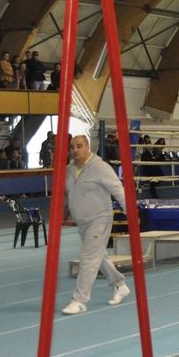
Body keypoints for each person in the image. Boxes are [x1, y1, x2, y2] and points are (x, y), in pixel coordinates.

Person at [61, 135, 131, 315]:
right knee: (99, 256)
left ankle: (80, 300)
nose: (75, 150)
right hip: (82, 222)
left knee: (88, 259)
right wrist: (63, 214)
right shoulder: (68, 170)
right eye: (72, 147)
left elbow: (118, 189)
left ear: (88, 147)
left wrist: (131, 211)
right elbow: (67, 195)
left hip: (100, 219)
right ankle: (120, 285)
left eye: (79, 146)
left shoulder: (100, 167)